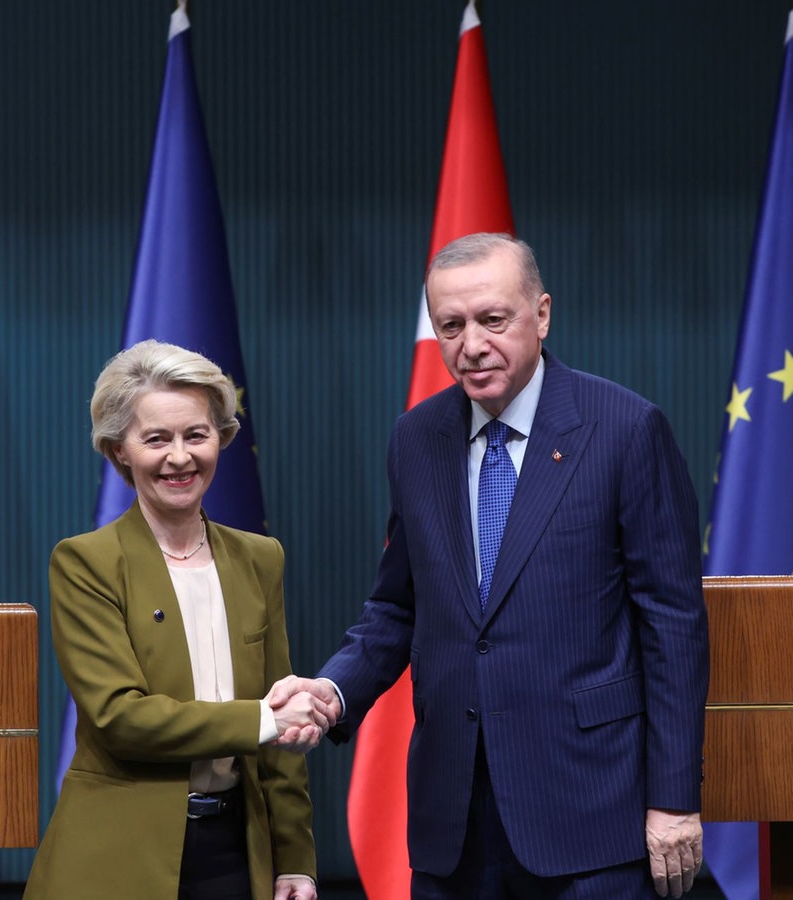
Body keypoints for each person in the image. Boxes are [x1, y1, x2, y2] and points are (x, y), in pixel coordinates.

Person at [270, 233, 710, 899]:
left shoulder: (624, 429)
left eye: (492, 319)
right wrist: (331, 694)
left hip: (592, 818)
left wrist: (674, 799)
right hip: (454, 827)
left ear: (542, 315)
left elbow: (672, 626)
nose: (470, 345)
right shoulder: (416, 439)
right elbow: (397, 608)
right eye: (450, 325)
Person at [25, 339, 333, 900]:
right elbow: (121, 719)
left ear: (222, 437)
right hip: (121, 855)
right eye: (156, 439)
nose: (180, 457)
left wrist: (296, 860)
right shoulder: (86, 562)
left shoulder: (261, 558)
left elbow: (282, 737)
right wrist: (263, 719)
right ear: (119, 449)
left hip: (239, 852)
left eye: (196, 434)